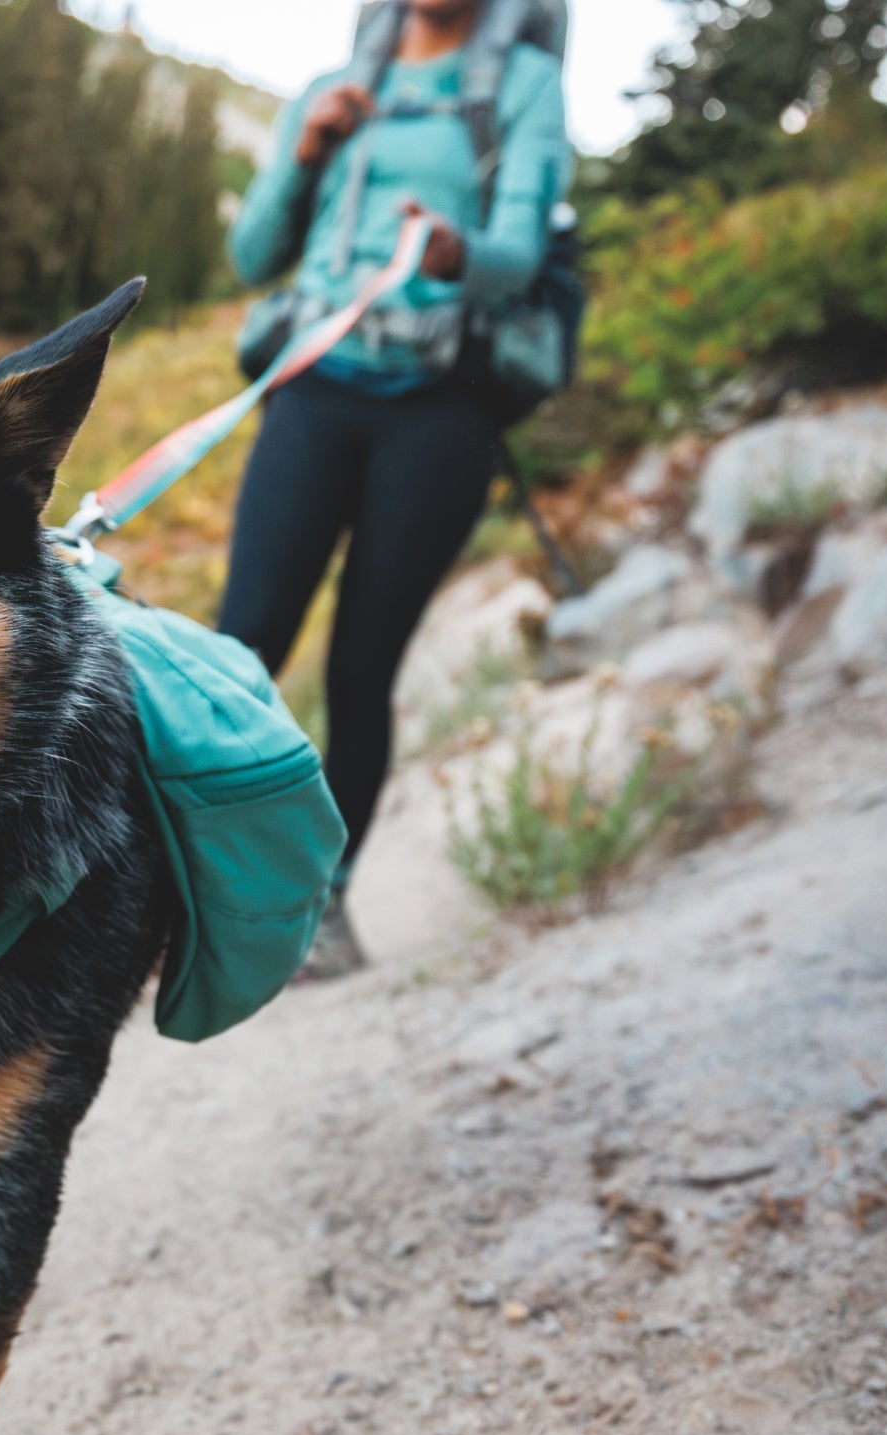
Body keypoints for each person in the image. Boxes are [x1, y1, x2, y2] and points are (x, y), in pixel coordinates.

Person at [219, 0, 571, 976]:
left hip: (440, 411)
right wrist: (306, 152)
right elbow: (250, 256)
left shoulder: (524, 85)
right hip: (314, 390)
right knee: (240, 641)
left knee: (358, 669)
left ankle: (319, 910)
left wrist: (460, 252)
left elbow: (522, 253)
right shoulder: (337, 89)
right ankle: (173, 878)